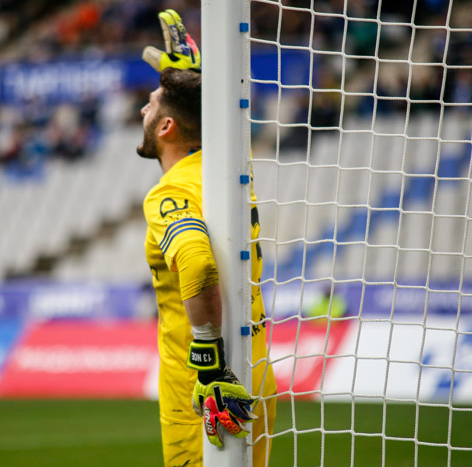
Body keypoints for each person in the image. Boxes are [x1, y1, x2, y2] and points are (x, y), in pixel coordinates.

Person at [138, 9, 277, 467]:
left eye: (151, 105)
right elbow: (215, 116)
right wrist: (191, 77)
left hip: (206, 389)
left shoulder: (170, 193)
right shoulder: (235, 167)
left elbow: (197, 263)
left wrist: (210, 363)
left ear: (167, 127)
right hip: (257, 370)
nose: (143, 109)